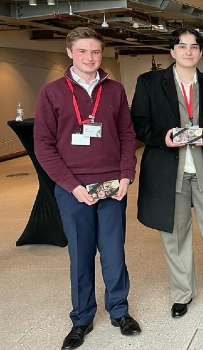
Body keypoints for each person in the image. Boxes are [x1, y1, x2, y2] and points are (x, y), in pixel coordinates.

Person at [34, 27, 140, 349]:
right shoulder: (51, 92)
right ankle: (81, 319)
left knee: (113, 252)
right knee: (80, 256)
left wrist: (125, 175)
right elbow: (43, 146)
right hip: (73, 190)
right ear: (70, 53)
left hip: (111, 186)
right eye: (82, 51)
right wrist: (70, 185)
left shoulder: (115, 90)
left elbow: (126, 135)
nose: (89, 58)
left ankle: (119, 311)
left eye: (95, 52)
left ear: (101, 54)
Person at [130, 28, 203, 319]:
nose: (188, 51)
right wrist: (163, 136)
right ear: (172, 52)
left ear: (201, 53)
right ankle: (182, 293)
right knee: (174, 234)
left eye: (194, 47)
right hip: (168, 170)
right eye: (181, 46)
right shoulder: (149, 82)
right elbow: (138, 122)